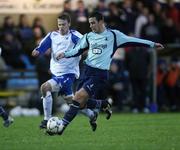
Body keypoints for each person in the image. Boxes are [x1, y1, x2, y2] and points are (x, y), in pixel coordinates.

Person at [56, 11, 164, 135]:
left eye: (93, 23)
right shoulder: (88, 36)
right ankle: (103, 103)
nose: (90, 26)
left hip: (99, 74)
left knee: (77, 98)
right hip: (86, 71)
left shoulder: (114, 35)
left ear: (101, 22)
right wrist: (65, 54)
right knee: (80, 104)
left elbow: (133, 40)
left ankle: (61, 127)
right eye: (89, 23)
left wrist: (152, 44)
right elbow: (77, 50)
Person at [32, 13, 98, 132]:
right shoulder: (53, 35)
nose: (61, 27)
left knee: (45, 87)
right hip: (56, 73)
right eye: (59, 24)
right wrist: (37, 51)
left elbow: (88, 44)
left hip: (69, 74)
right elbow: (43, 45)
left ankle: (47, 119)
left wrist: (85, 53)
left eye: (63, 24)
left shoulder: (74, 36)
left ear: (69, 24)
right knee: (73, 103)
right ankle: (92, 115)